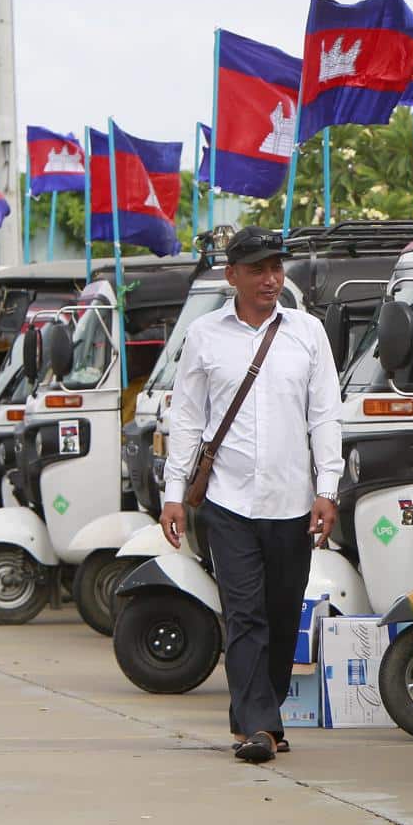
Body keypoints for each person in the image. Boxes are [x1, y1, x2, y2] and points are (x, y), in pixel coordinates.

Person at [159, 228, 340, 764]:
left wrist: (327, 489)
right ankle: (258, 725)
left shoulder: (308, 333)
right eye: (258, 270)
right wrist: (174, 493)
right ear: (231, 275)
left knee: (282, 614)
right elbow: (187, 419)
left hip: (291, 503)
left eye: (276, 268)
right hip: (227, 502)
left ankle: (262, 713)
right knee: (244, 614)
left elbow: (325, 415)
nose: (270, 279)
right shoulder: (205, 337)